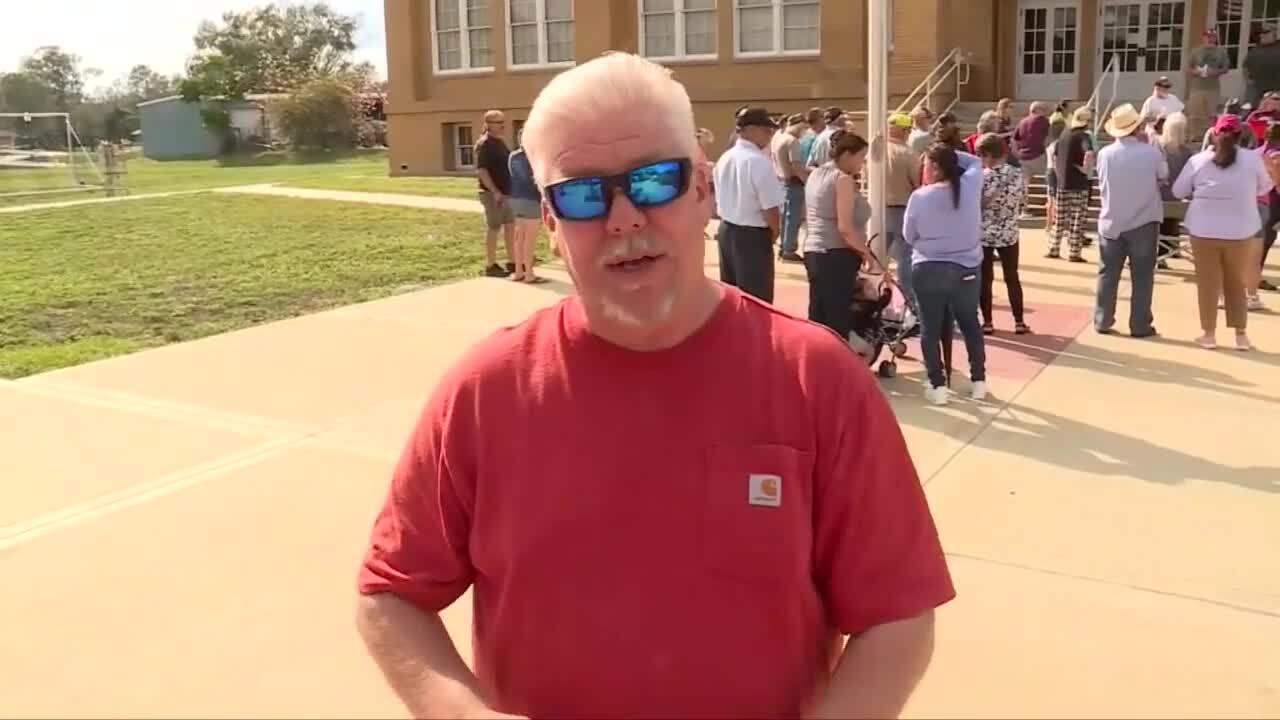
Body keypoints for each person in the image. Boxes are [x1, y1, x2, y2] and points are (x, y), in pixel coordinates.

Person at [354, 51, 955, 720]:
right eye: (582, 193)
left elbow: (899, 615)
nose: (622, 218)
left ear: (702, 189)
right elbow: (390, 593)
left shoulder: (819, 380)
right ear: (550, 222)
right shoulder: (485, 391)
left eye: (653, 181)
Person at [1172, 113, 1274, 351]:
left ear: (1214, 134)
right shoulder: (1252, 159)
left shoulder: (1199, 160)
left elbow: (1178, 191)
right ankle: (1240, 336)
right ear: (1241, 134)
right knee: (1236, 283)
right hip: (1241, 230)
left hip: (1203, 229)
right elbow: (1265, 187)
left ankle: (1209, 334)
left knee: (1207, 284)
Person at [903, 142, 988, 406]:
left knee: (930, 327)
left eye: (926, 163)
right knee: (970, 324)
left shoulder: (920, 197)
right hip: (966, 267)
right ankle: (978, 380)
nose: (923, 168)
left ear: (935, 167)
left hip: (928, 267)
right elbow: (975, 162)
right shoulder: (971, 185)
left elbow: (909, 235)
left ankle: (937, 385)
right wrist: (949, 154)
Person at [1094, 104, 1167, 338]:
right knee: (1143, 277)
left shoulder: (1105, 154)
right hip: (1144, 221)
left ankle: (1102, 319)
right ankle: (1140, 324)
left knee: (1107, 274)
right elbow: (1164, 176)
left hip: (1111, 220)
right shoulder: (1152, 152)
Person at [803, 130, 872, 338]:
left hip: (814, 249)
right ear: (847, 155)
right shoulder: (842, 180)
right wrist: (866, 253)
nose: (863, 163)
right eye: (861, 157)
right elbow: (845, 228)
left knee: (818, 314)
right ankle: (836, 365)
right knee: (837, 318)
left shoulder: (815, 174)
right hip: (836, 253)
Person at [715, 107, 785, 303]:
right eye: (767, 130)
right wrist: (774, 232)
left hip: (727, 230)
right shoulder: (758, 161)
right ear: (751, 129)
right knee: (756, 298)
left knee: (732, 295)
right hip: (752, 235)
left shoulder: (726, 157)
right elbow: (770, 208)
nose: (770, 135)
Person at [976, 133, 1029, 335]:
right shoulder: (1017, 174)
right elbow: (1023, 199)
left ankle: (988, 321)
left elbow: (976, 204)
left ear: (988, 155)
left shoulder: (982, 177)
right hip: (1009, 232)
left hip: (985, 233)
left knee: (985, 279)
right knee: (1012, 277)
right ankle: (1019, 321)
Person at [884, 112, 922, 308]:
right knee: (905, 258)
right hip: (902, 209)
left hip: (878, 209)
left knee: (877, 255)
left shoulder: (876, 151)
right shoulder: (908, 154)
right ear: (905, 131)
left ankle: (874, 294)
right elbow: (917, 184)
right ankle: (910, 302)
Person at [1049, 107, 1095, 262]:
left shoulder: (1064, 135)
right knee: (1077, 220)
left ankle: (1053, 248)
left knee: (1060, 219)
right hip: (1079, 185)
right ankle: (1074, 252)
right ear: (1086, 122)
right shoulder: (1084, 136)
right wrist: (1085, 169)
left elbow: (1055, 157)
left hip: (1063, 183)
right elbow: (1088, 154)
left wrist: (1059, 173)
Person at [476, 109, 516, 277]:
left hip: (507, 193)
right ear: (488, 125)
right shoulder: (485, 144)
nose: (502, 125)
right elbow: (482, 171)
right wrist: (495, 191)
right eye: (498, 122)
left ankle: (512, 261)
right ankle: (491, 265)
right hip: (493, 194)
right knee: (494, 227)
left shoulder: (500, 142)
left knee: (510, 226)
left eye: (502, 122)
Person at [1154, 111, 1194, 267]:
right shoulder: (1186, 153)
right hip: (1177, 200)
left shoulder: (1158, 148)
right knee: (1171, 221)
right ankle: (1168, 251)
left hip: (1158, 197)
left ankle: (1162, 254)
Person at [505, 146, 547, 283]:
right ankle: (529, 273)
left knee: (520, 237)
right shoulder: (534, 156)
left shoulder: (513, 156)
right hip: (531, 199)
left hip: (515, 197)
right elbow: (535, 179)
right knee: (530, 239)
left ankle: (518, 271)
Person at [772, 113, 810, 262]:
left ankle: (783, 246)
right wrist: (807, 181)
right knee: (793, 218)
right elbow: (796, 165)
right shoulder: (792, 141)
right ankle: (789, 249)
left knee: (785, 217)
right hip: (793, 182)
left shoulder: (778, 138)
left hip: (781, 181)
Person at [1186, 30, 1232, 138]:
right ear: (1203, 38)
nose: (1210, 39)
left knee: (1212, 114)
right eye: (1208, 37)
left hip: (1213, 87)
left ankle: (1211, 135)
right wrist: (1196, 72)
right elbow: (1188, 68)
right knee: (1195, 114)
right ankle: (1195, 136)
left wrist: (1215, 72)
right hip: (1196, 87)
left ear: (1215, 38)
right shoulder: (1195, 51)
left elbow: (1225, 68)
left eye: (1212, 37)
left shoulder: (1221, 52)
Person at [1012, 102, 1052, 192]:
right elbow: (1049, 137)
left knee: (1025, 185)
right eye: (1043, 110)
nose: (1045, 112)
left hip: (1023, 157)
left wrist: (1017, 153)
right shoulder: (1043, 121)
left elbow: (1014, 139)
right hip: (1038, 155)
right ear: (1036, 110)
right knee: (1045, 183)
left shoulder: (1022, 122)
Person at [1243, 24, 1280, 108]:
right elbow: (1245, 66)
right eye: (1261, 33)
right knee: (1251, 112)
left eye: (1266, 33)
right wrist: (1248, 80)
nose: (1262, 35)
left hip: (1276, 90)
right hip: (1257, 90)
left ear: (1274, 33)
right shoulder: (1255, 50)